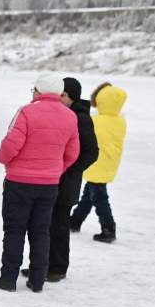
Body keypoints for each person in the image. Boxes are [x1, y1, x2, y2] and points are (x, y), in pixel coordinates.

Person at [0, 74, 79, 293]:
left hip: (19, 182)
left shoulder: (26, 112)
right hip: (49, 184)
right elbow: (72, 152)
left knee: (14, 230)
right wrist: (56, 170)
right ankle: (38, 280)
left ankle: (8, 279)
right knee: (41, 232)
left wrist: (4, 160)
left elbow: (10, 145)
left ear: (39, 91)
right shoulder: (70, 116)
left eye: (34, 89)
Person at [20, 77, 98, 282]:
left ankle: (57, 268)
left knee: (58, 227)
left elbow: (91, 153)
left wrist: (66, 169)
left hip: (65, 183)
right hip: (51, 179)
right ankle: (41, 265)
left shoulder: (80, 117)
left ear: (68, 96)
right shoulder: (65, 114)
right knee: (43, 225)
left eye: (61, 94)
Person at [70, 82, 127, 244]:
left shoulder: (95, 120)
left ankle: (109, 228)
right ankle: (75, 221)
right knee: (89, 193)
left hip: (96, 161)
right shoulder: (120, 121)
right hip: (109, 162)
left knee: (99, 197)